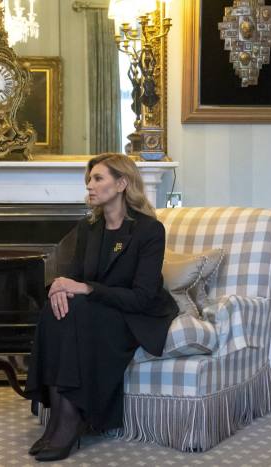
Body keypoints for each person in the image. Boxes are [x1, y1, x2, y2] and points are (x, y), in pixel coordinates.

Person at [24, 153, 177, 462]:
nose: (89, 187)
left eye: (97, 179)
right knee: (56, 309)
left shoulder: (149, 230)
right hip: (99, 308)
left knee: (76, 309)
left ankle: (69, 421)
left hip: (136, 315)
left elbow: (142, 297)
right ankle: (58, 420)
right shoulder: (89, 227)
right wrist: (58, 286)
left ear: (122, 184)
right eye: (89, 180)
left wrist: (86, 288)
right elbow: (75, 277)